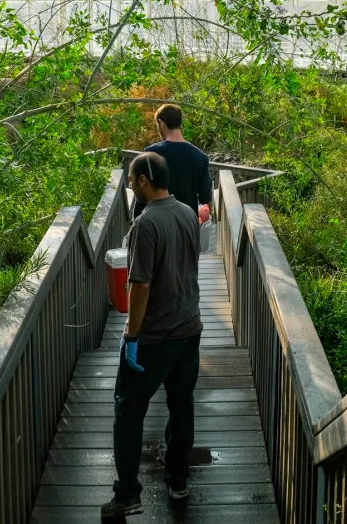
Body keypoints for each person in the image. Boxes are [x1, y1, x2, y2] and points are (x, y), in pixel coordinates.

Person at [102, 152, 202, 519]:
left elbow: (140, 286)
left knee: (127, 411)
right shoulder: (187, 213)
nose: (129, 185)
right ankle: (178, 481)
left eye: (131, 179)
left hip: (154, 338)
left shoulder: (146, 224)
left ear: (144, 179)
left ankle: (127, 494)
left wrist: (131, 336)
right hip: (190, 330)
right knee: (181, 406)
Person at [131, 104, 212, 223]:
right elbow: (205, 196)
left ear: (161, 123)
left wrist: (136, 219)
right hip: (187, 224)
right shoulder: (200, 157)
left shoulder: (151, 154)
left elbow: (142, 192)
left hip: (156, 222)